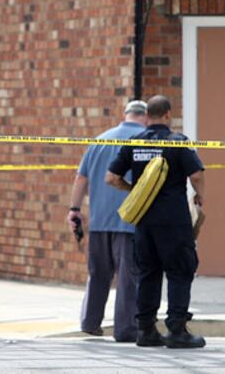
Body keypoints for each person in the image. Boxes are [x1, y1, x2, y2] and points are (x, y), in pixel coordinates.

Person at [105, 95, 206, 349]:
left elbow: (111, 177)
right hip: (173, 220)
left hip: (144, 221)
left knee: (148, 272)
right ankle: (177, 330)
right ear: (168, 114)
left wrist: (135, 190)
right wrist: (199, 197)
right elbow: (196, 174)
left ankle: (146, 330)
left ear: (147, 115)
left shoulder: (134, 142)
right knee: (180, 271)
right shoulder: (178, 142)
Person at [68, 100, 148, 342]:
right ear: (145, 117)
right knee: (128, 277)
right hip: (131, 221)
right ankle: (126, 330)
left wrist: (74, 209)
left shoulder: (101, 139)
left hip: (100, 221)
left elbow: (81, 178)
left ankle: (90, 322)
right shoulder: (147, 140)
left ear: (125, 115)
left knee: (98, 274)